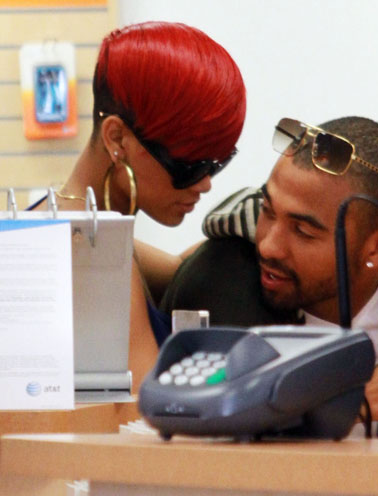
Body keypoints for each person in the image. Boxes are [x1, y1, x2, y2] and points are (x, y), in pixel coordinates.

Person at [160, 116, 378, 441]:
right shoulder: (220, 278)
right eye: (267, 211)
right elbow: (197, 424)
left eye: (303, 231)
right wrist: (355, 402)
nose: (268, 245)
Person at [28, 21, 246, 390]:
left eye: (218, 162)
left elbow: (185, 269)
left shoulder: (86, 228)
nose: (206, 183)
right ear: (118, 139)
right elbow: (148, 410)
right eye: (191, 165)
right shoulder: (84, 245)